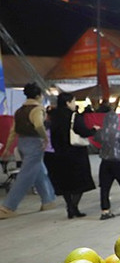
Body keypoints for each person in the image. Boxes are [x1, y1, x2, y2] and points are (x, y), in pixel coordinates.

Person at [0, 83, 58, 218]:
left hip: (22, 144)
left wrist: (8, 148)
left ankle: (48, 200)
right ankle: (9, 206)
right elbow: (38, 125)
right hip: (34, 143)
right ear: (38, 95)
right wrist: (45, 139)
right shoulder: (37, 109)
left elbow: (13, 131)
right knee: (25, 176)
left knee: (39, 172)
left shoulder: (19, 111)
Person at [45, 92, 98, 219]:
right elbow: (83, 131)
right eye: (73, 101)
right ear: (68, 103)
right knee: (80, 182)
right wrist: (94, 130)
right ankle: (74, 207)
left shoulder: (54, 116)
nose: (75, 104)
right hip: (75, 153)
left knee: (65, 183)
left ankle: (70, 205)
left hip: (59, 154)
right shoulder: (74, 116)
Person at [95, 112, 120, 220]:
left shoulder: (101, 133)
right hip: (117, 163)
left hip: (104, 163)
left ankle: (105, 211)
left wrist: (98, 130)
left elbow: (96, 140)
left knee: (104, 188)